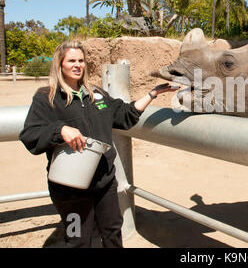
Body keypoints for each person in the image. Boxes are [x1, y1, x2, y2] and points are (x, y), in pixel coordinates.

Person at [19, 40, 178, 248]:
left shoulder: (97, 94)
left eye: (81, 61)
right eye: (71, 61)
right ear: (60, 65)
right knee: (78, 240)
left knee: (112, 231)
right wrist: (59, 130)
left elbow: (124, 114)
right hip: (70, 189)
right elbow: (30, 134)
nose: (78, 65)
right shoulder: (46, 98)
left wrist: (153, 93)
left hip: (104, 182)